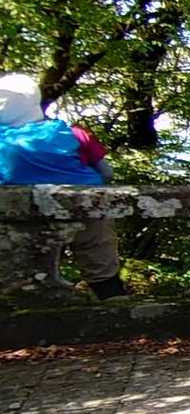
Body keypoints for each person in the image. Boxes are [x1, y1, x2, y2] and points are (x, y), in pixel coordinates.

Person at [0, 73, 126, 298]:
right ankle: (113, 298)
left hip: (20, 219)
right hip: (85, 211)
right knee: (98, 256)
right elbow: (107, 172)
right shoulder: (74, 134)